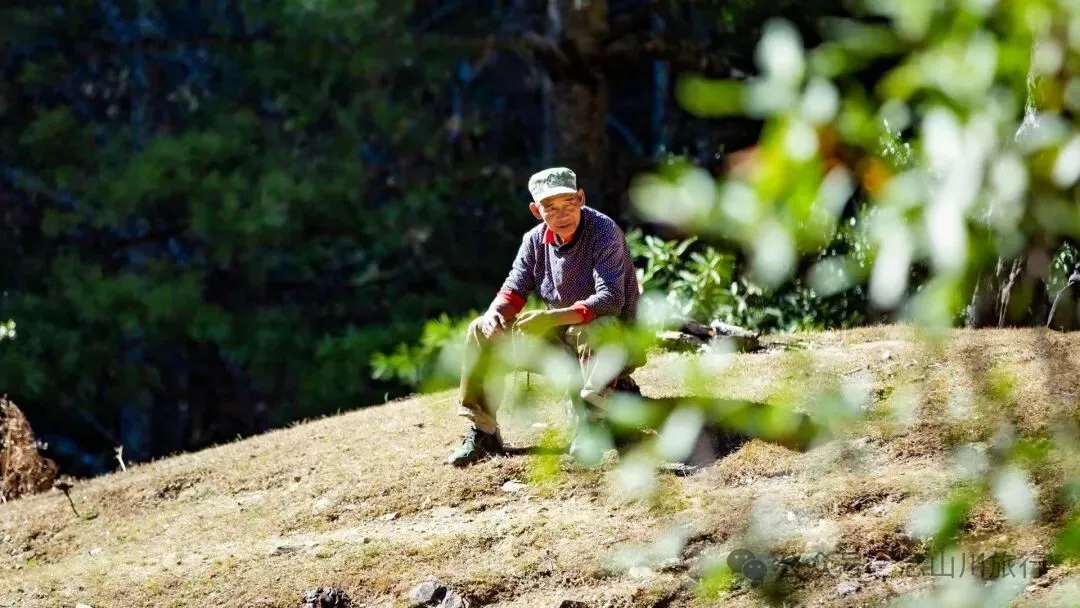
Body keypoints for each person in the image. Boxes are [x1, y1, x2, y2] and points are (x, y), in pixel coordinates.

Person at [448, 167, 644, 467]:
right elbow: (514, 288)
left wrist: (551, 319)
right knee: (479, 329)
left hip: (612, 339)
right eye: (550, 208)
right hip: (563, 340)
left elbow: (611, 301)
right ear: (536, 211)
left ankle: (593, 424)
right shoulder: (534, 240)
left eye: (568, 203)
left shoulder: (604, 232)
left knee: (599, 327)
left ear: (581, 198)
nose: (562, 214)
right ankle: (483, 431)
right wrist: (495, 314)